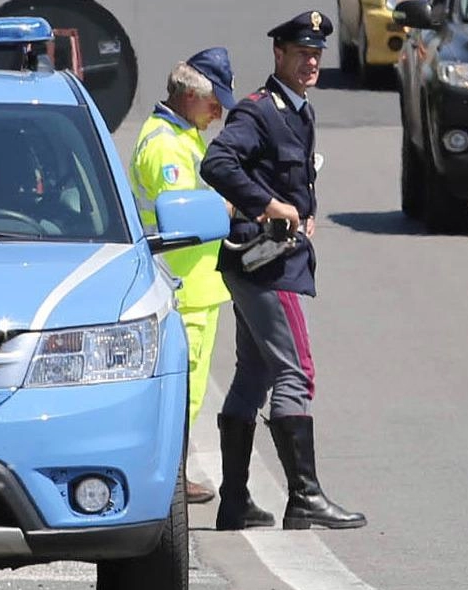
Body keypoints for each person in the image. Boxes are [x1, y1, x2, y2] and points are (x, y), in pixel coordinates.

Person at [201, 10, 367, 531]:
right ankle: (306, 497)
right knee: (297, 372)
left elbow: (292, 174)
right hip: (268, 263)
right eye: (301, 54)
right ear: (279, 55)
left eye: (317, 55)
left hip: (271, 260)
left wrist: (304, 209)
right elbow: (218, 163)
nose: (311, 62)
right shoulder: (258, 111)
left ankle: (234, 501)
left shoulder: (299, 110)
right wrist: (270, 206)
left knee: (253, 374)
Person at [129, 49, 273, 524]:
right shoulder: (167, 146)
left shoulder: (181, 136)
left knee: (189, 388)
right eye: (214, 102)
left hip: (195, 284)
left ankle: (177, 469)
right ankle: (172, 474)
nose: (220, 111)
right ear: (189, 95)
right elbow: (182, 211)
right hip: (180, 286)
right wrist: (237, 206)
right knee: (182, 389)